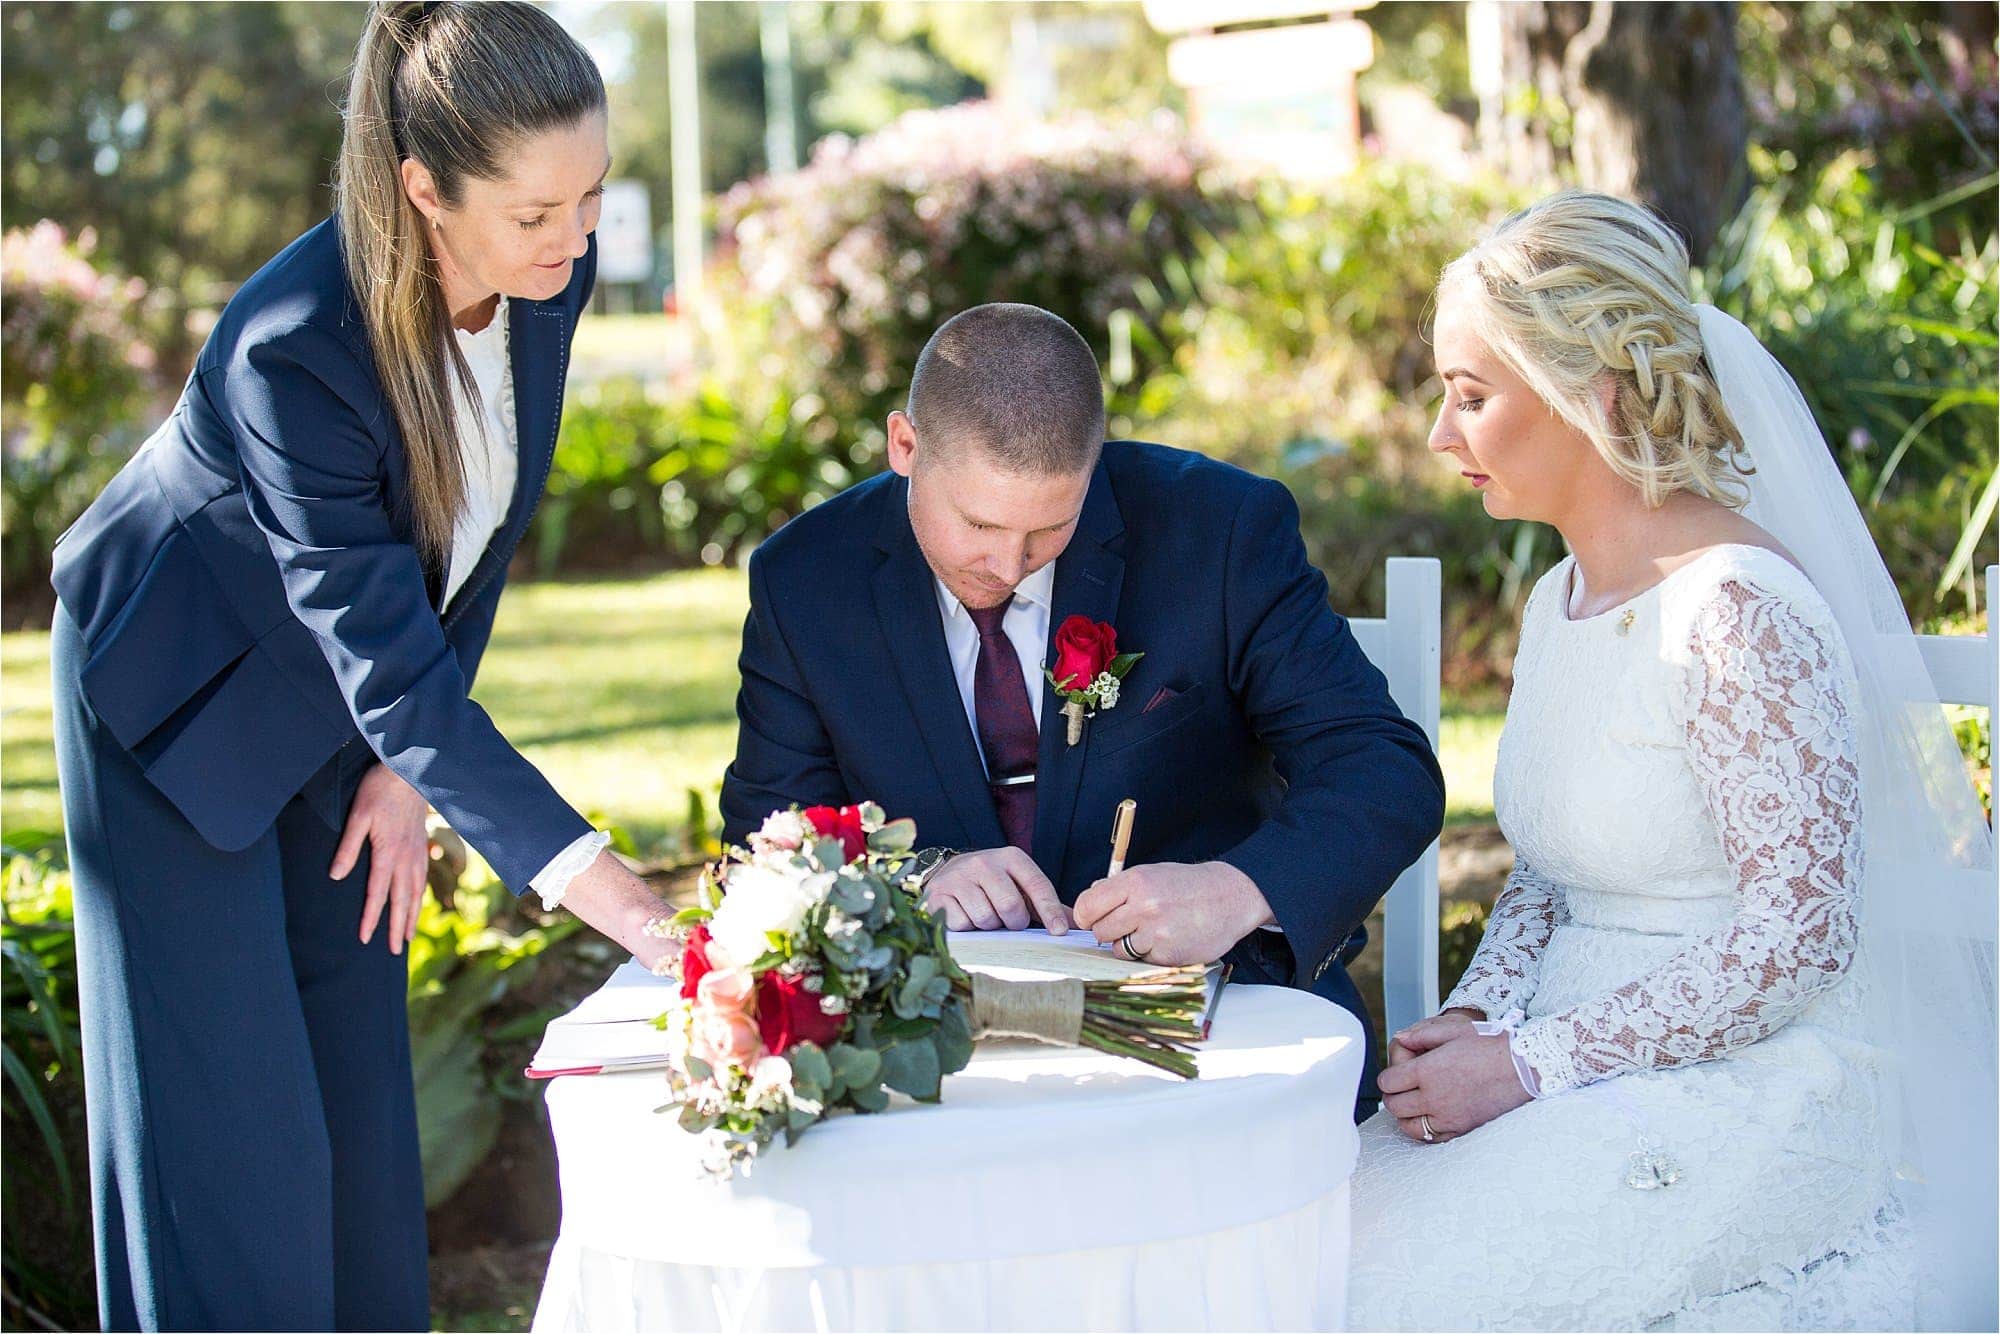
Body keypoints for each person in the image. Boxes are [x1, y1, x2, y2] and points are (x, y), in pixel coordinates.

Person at [48, 5, 672, 1328]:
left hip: (360, 693)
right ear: (423, 187)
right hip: (177, 700)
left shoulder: (544, 278)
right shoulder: (294, 344)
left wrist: (405, 766)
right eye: (535, 212)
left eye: (592, 197)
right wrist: (627, 902)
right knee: (231, 1140)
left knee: (359, 1113)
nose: (573, 237)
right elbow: (378, 642)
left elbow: (477, 538)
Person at [1346, 191, 1996, 1329]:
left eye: (1470, 395)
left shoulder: (1733, 610)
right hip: (1567, 1046)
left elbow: (1798, 935)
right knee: (1318, 1236)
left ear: (1587, 393)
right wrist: (1481, 1013)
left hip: (1754, 1077)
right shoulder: (1560, 600)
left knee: (1408, 1291)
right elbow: (1550, 868)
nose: (1442, 436)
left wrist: (1526, 1063)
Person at [718, 302, 1445, 1111]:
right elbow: (766, 838)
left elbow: (1384, 770)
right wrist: (913, 879)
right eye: (980, 523)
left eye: (1051, 528)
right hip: (932, 1060)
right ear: (905, 445)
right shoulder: (806, 580)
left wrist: (1239, 890)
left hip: (1222, 1034)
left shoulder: (1221, 530)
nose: (1008, 565)